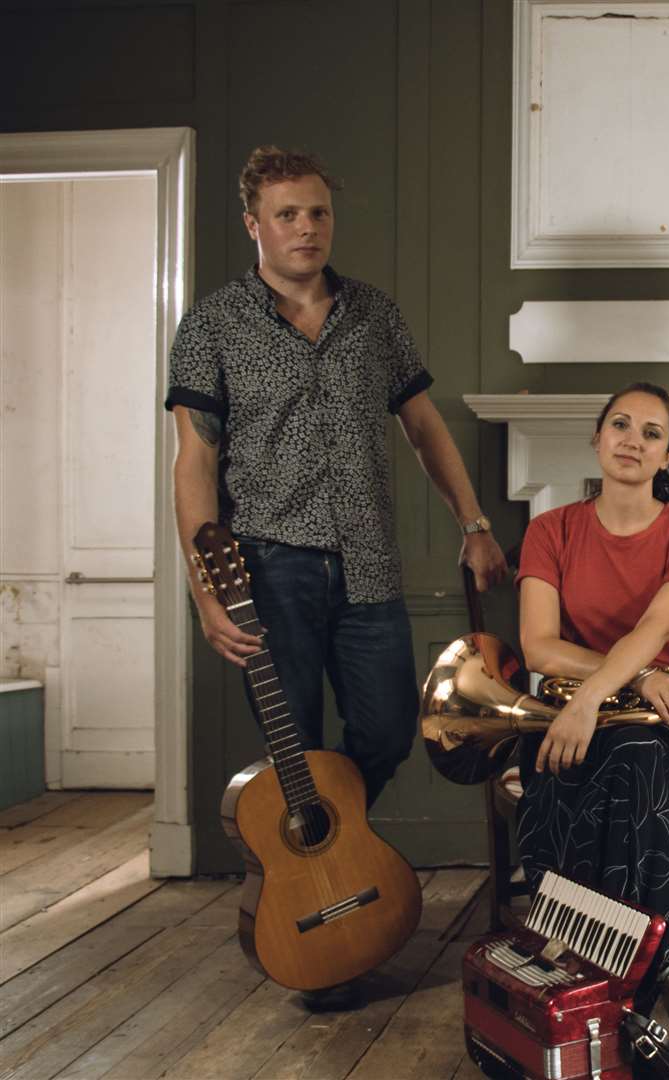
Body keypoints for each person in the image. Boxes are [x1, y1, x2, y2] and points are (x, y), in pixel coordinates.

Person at [166, 146, 509, 1008]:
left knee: (390, 727)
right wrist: (204, 589)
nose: (306, 228)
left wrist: (472, 522)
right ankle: (311, 906)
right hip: (263, 568)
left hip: (368, 564)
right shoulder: (212, 326)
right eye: (287, 214)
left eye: (317, 212)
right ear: (253, 224)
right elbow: (194, 460)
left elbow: (424, 426)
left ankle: (327, 859)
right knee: (295, 745)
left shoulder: (375, 316)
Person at [514, 382, 669, 1036]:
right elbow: (536, 645)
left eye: (649, 433)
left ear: (668, 455)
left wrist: (598, 693)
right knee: (620, 760)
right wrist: (628, 682)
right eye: (620, 425)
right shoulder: (548, 530)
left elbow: (652, 627)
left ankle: (597, 960)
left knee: (636, 754)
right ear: (597, 437)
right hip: (576, 711)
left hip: (661, 721)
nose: (632, 441)